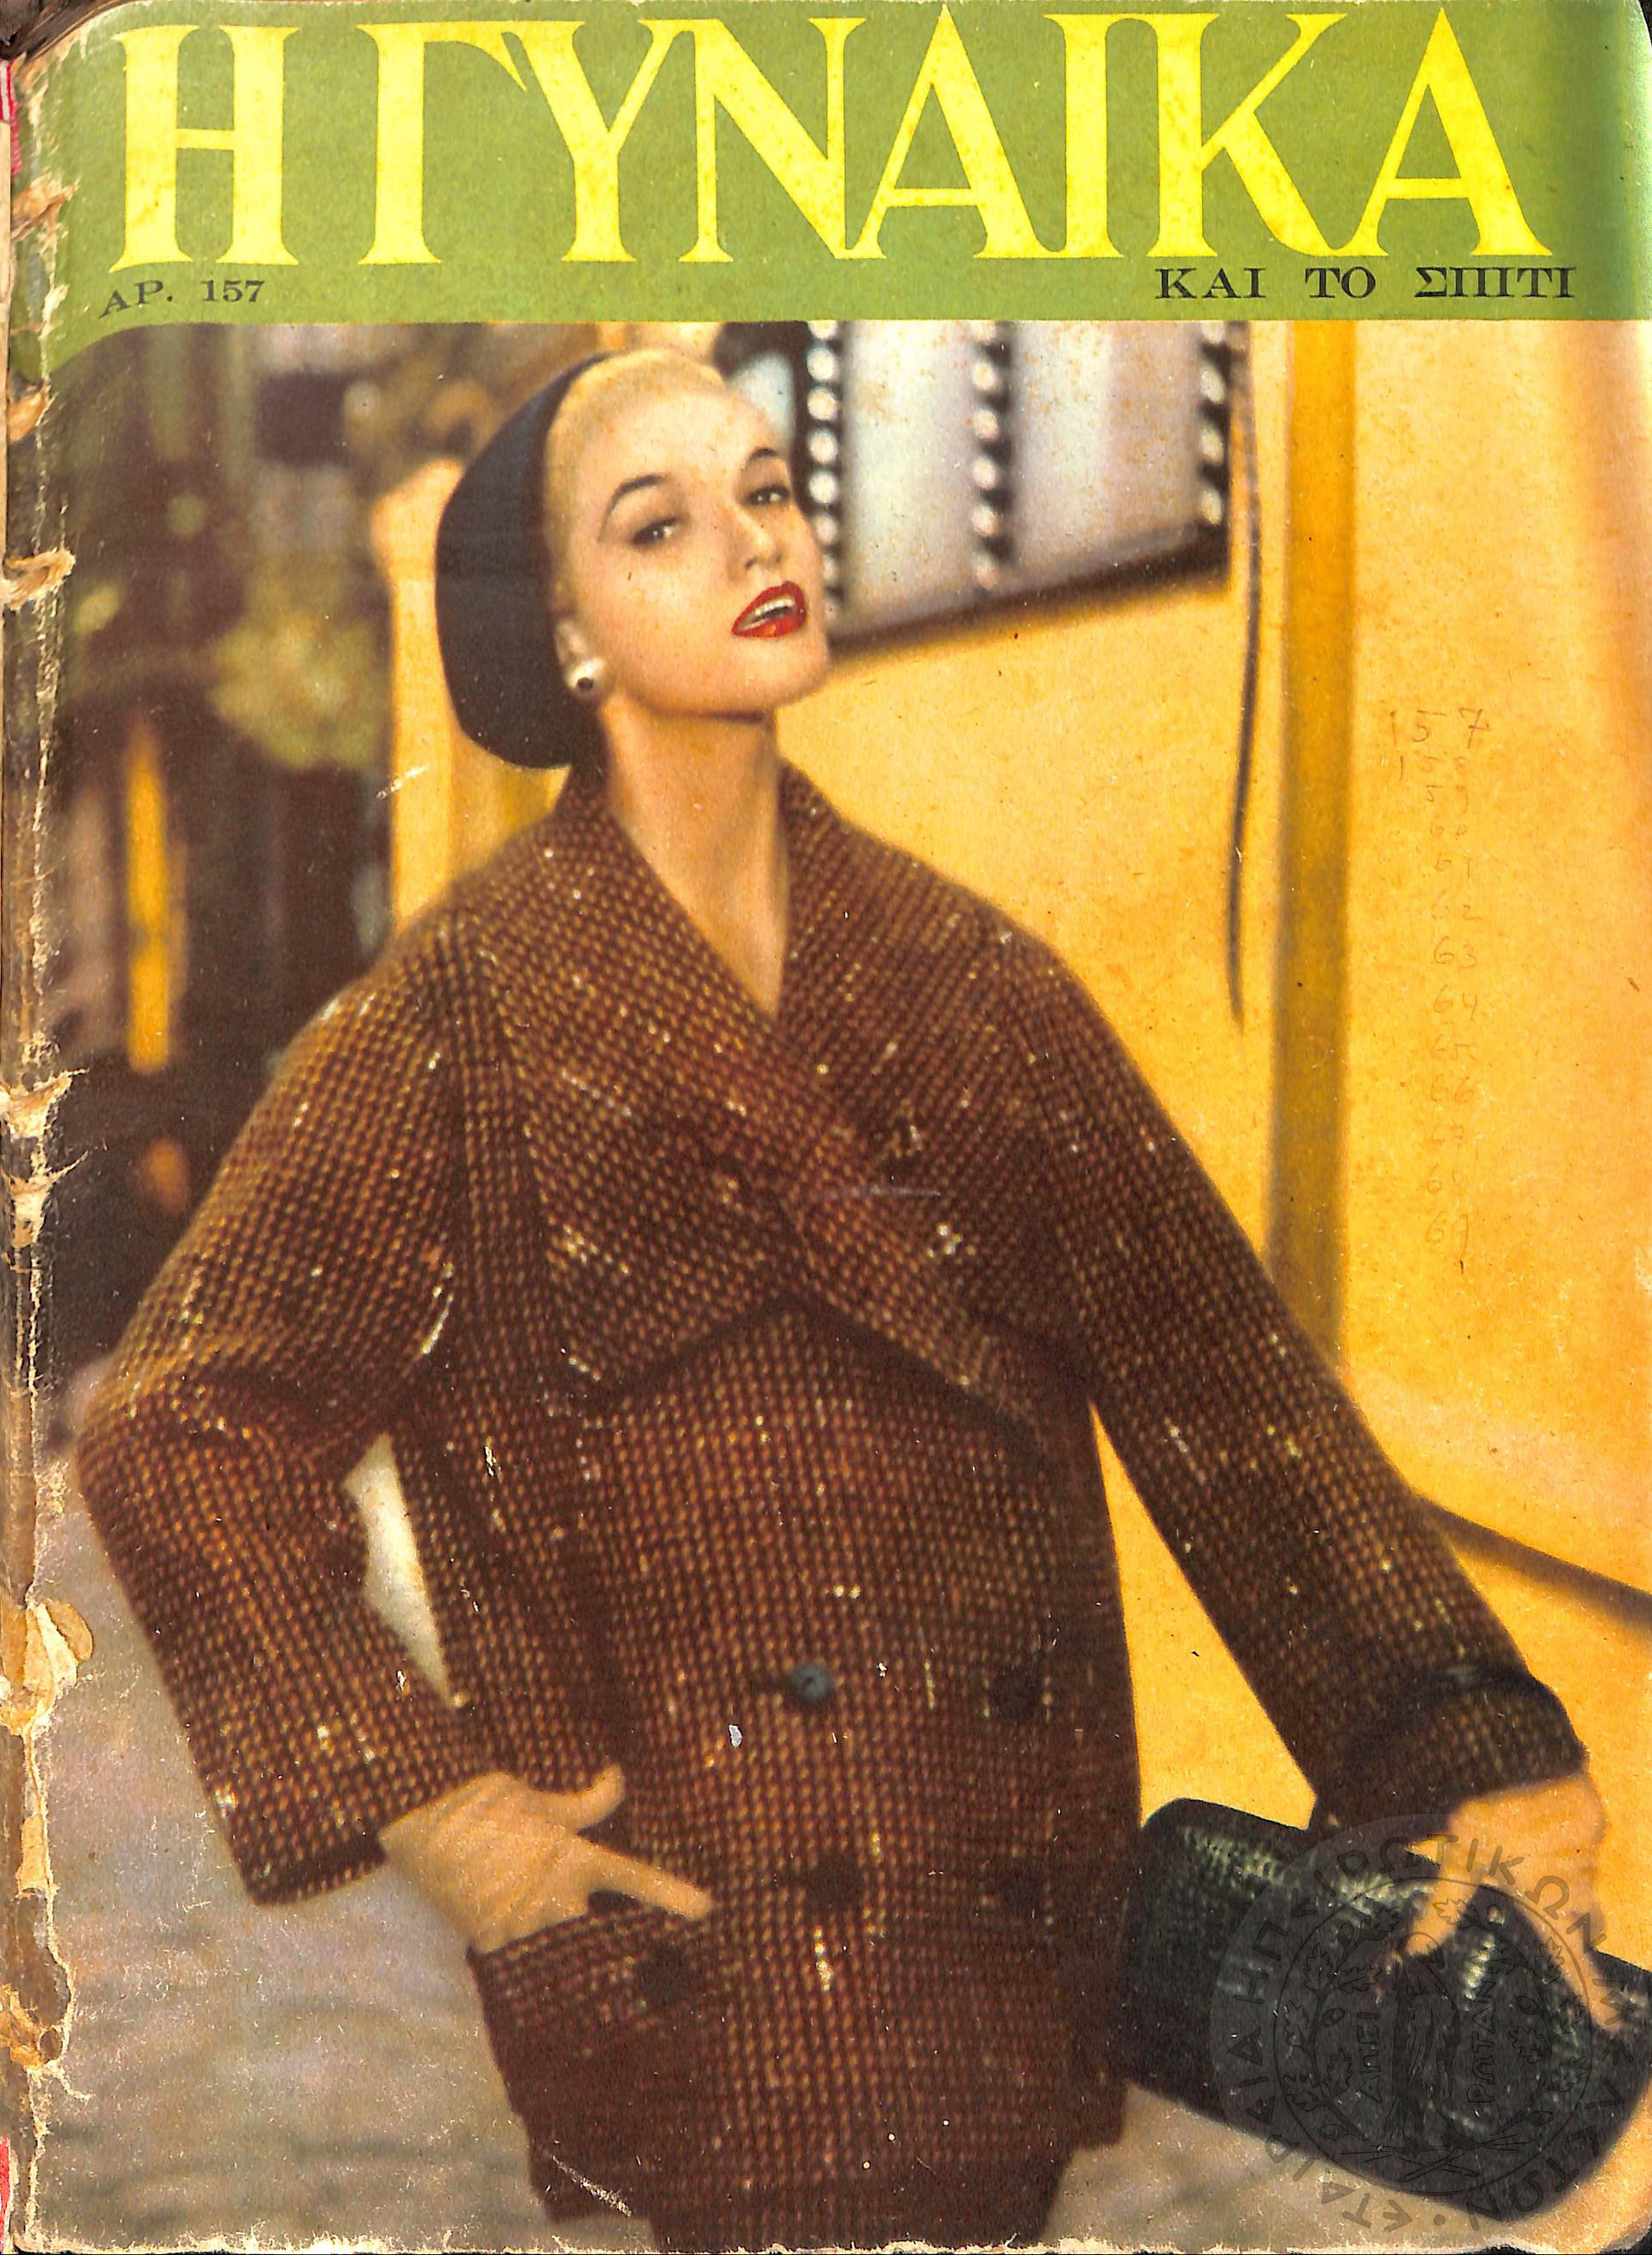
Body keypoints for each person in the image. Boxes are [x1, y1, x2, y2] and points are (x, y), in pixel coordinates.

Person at [78, 346, 1613, 2252]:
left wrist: (1468, 1745)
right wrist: (438, 1804)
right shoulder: (458, 1016)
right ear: (563, 633)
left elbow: (1224, 1389)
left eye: (770, 488)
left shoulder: (978, 980)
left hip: (1003, 1930)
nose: (754, 544)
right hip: (694, 1955)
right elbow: (181, 1424)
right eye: (659, 526)